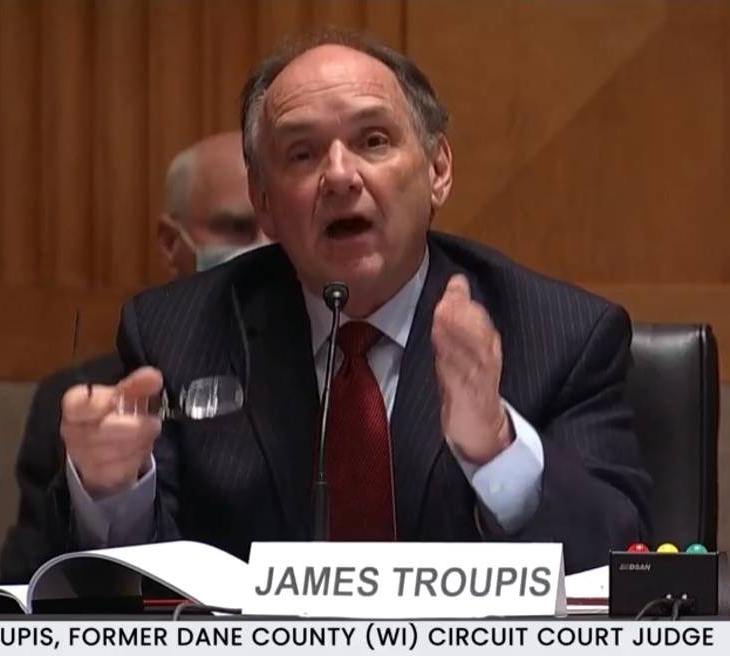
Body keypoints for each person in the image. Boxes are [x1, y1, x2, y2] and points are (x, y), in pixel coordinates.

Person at [50, 28, 651, 575]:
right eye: (302, 154)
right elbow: (133, 592)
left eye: (373, 140)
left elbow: (618, 559)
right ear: (264, 201)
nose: (339, 175)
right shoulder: (177, 334)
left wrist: (495, 447)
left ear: (438, 170)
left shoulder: (561, 335)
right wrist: (112, 488)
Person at [0, 132, 265, 583]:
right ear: (171, 243)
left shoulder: (335, 370)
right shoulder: (79, 408)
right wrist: (107, 494)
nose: (262, 249)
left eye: (274, 229)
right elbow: (26, 587)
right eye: (237, 229)